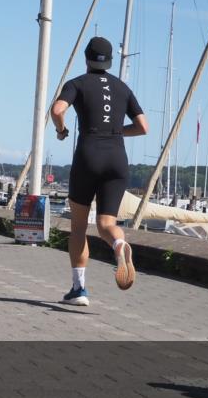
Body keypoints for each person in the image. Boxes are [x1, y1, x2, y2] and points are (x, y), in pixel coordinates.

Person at [50, 37, 148, 306]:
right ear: (110, 61)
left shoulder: (77, 83)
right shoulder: (122, 88)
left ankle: (79, 289)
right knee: (107, 224)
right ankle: (119, 246)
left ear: (86, 58)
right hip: (117, 158)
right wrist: (116, 132)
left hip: (88, 155)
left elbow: (57, 110)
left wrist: (61, 131)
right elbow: (143, 127)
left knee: (79, 227)